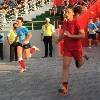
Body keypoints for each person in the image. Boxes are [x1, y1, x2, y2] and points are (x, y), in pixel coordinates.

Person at [56, 7, 89, 94]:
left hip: (76, 48)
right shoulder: (65, 22)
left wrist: (71, 36)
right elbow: (64, 33)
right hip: (67, 48)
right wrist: (58, 39)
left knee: (78, 65)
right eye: (65, 12)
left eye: (68, 12)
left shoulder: (76, 22)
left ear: (73, 14)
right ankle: (64, 87)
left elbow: (82, 35)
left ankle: (84, 57)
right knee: (65, 66)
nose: (66, 13)